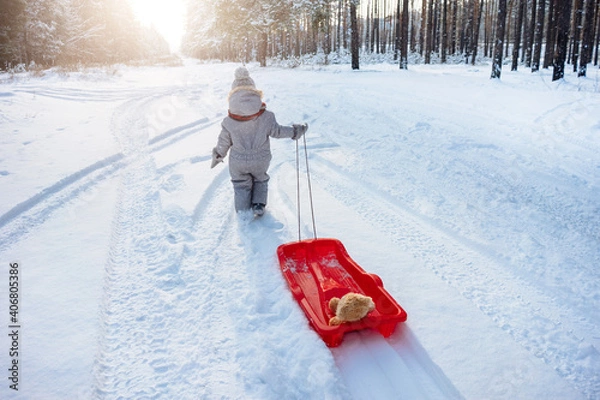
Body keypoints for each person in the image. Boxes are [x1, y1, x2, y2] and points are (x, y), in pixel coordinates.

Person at [211, 67, 308, 217]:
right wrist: (295, 131)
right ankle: (258, 205)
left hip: (238, 161)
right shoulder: (267, 116)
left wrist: (218, 155)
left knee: (241, 184)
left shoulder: (229, 121)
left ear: (233, 96)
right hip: (260, 159)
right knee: (260, 179)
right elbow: (278, 131)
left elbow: (224, 142)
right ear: (254, 93)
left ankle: (243, 211)